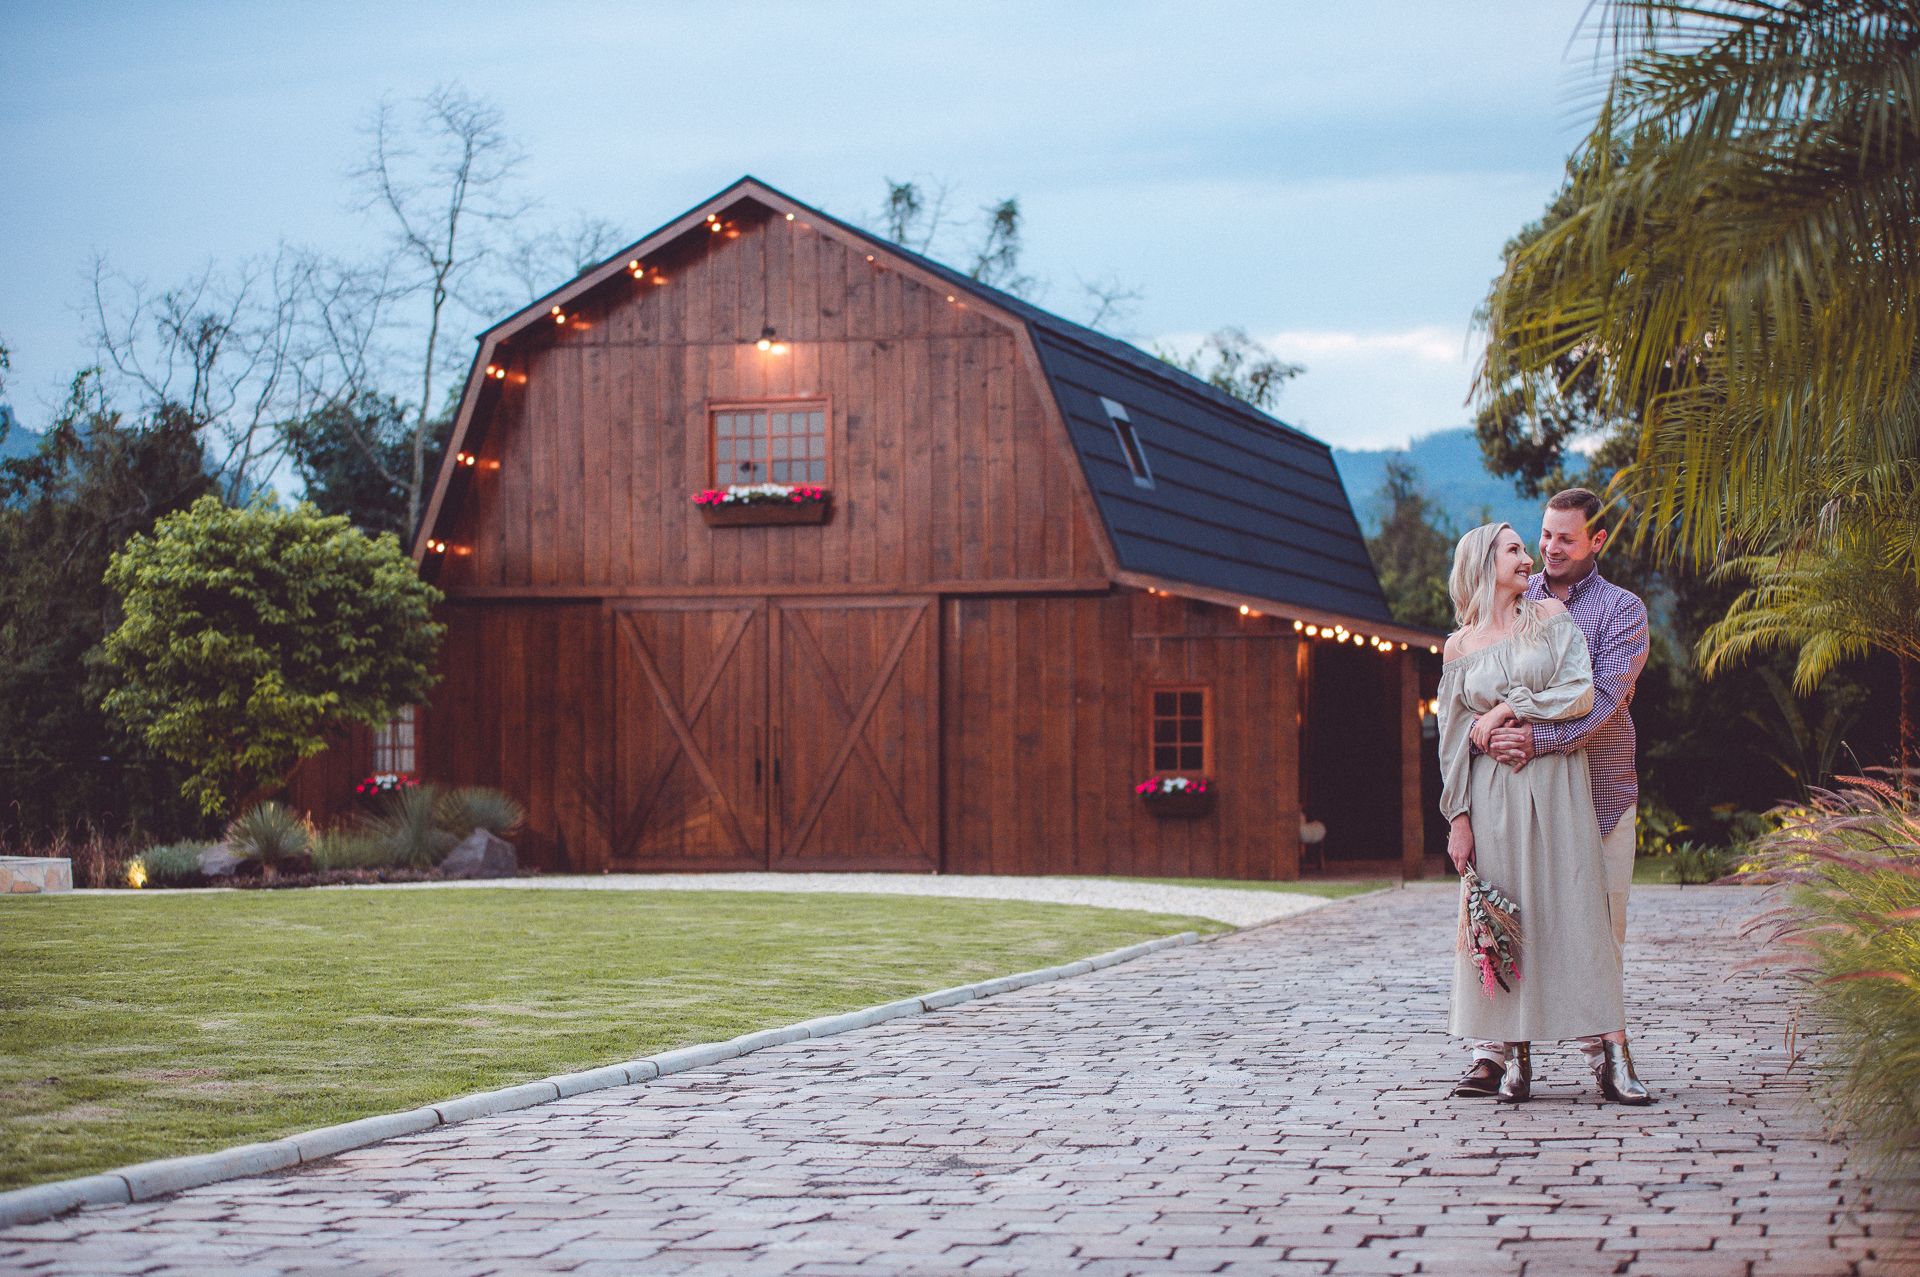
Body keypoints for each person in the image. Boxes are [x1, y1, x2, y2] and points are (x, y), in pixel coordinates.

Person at [1464, 488, 1652, 1104]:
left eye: (1565, 538)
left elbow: (1599, 701)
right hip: (1521, 799)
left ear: (1597, 541)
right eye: (1544, 535)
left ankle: (1605, 1054)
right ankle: (1497, 1053)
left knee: (1600, 929)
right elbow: (1476, 687)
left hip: (1600, 795)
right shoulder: (1518, 596)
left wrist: (1529, 738)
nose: (1548, 549)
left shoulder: (1624, 611)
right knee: (1509, 916)